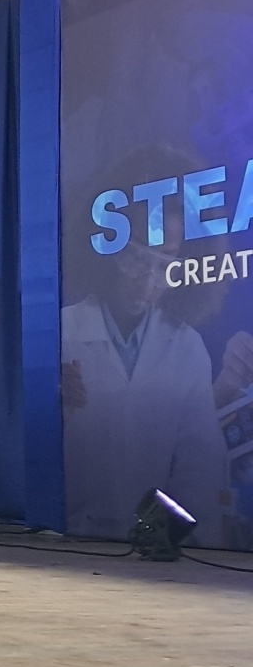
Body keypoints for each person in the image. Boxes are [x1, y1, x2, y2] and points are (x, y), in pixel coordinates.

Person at [61, 145, 230, 545]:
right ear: (105, 246)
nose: (147, 280)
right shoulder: (63, 333)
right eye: (135, 256)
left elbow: (201, 464)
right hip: (67, 543)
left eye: (165, 263)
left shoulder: (187, 348)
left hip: (153, 552)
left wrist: (167, 532)